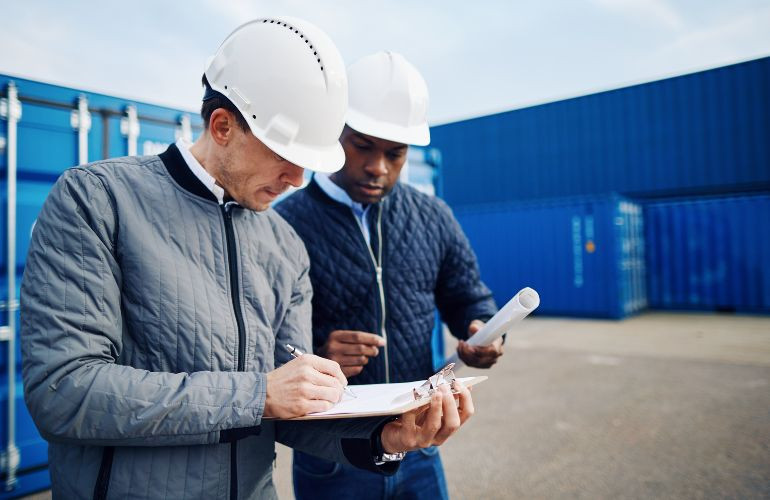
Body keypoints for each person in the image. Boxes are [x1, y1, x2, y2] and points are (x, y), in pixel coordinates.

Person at [20, 21, 475, 500]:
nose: (298, 179)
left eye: (309, 162)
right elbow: (63, 391)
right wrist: (256, 394)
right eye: (285, 154)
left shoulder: (284, 245)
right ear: (222, 127)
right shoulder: (97, 202)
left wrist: (385, 440)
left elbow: (291, 408)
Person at [276, 51, 503, 499]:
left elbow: (467, 297)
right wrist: (316, 354)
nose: (378, 166)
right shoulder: (283, 224)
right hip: (333, 453)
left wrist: (484, 333)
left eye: (395, 154)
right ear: (333, 131)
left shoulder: (433, 216)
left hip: (420, 441)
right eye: (362, 145)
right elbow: (262, 340)